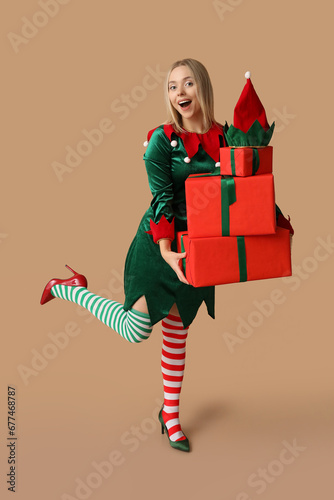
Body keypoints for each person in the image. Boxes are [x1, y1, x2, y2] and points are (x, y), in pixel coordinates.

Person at [40, 58, 292, 453]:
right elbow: (161, 199)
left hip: (202, 247)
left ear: (203, 88)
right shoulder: (161, 140)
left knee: (177, 332)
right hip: (159, 245)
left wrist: (274, 223)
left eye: (188, 84)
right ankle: (69, 287)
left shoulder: (227, 137)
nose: (180, 94)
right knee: (135, 330)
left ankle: (170, 415)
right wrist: (166, 251)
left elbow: (246, 190)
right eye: (173, 87)